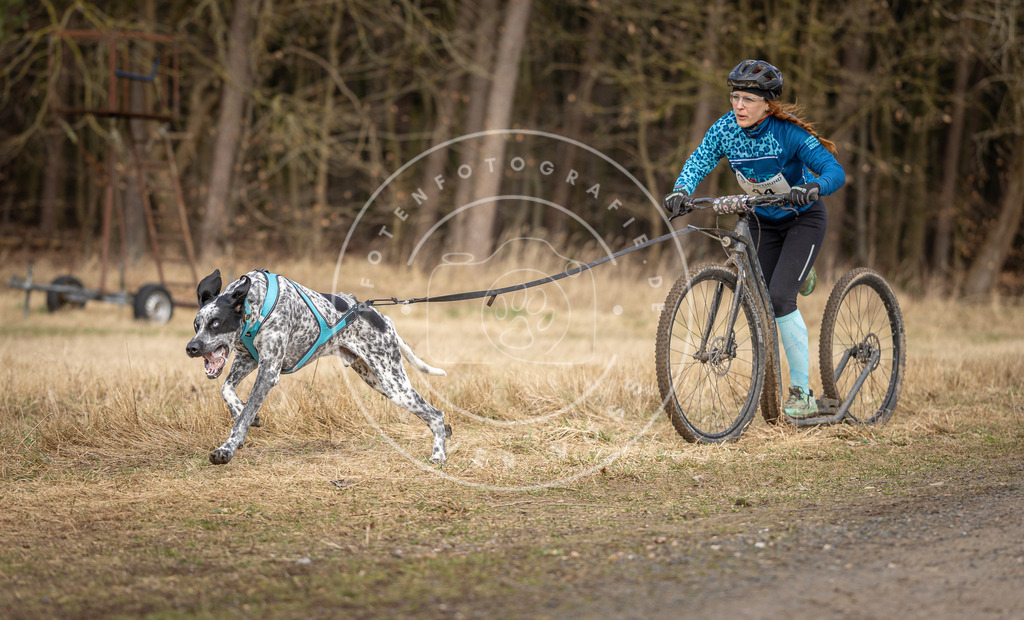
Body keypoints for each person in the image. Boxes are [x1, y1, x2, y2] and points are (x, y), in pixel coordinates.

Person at [663, 59, 846, 419]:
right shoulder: (725, 129)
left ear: (767, 104)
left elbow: (834, 170)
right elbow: (699, 160)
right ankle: (792, 275)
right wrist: (681, 190)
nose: (739, 106)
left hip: (801, 220)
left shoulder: (787, 133)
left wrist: (812, 187)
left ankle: (802, 394)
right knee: (759, 302)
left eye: (748, 99)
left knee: (779, 299)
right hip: (761, 221)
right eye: (735, 98)